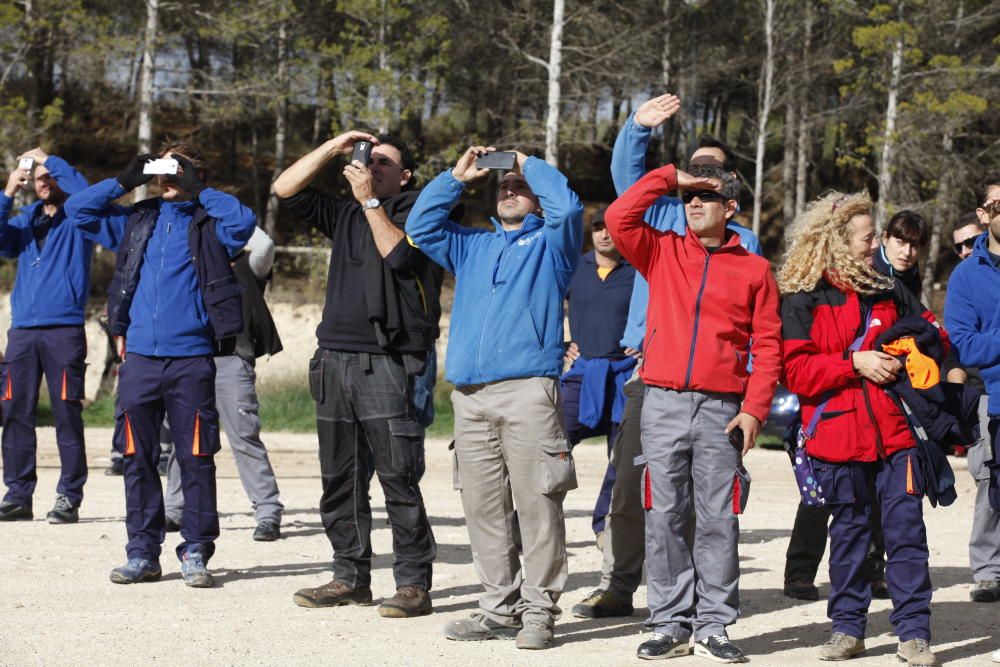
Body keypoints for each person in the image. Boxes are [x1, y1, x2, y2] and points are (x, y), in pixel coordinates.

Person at [572, 92, 764, 623]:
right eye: (692, 176)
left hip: (717, 394)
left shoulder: (748, 253)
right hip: (648, 375)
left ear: (731, 197)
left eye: (711, 178)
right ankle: (627, 588)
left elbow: (760, 335)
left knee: (713, 509)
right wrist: (638, 130)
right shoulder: (665, 226)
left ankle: (711, 611)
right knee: (637, 493)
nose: (697, 187)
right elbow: (624, 193)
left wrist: (752, 403)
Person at [605, 157, 782, 662]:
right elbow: (619, 217)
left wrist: (753, 410)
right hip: (660, 402)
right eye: (689, 197)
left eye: (706, 197)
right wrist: (669, 178)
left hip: (721, 410)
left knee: (719, 518)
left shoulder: (755, 269)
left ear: (731, 208)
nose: (694, 204)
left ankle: (714, 625)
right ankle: (668, 622)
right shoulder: (659, 250)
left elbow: (769, 347)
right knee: (662, 515)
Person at [406, 146, 583, 650]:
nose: (509, 190)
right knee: (483, 508)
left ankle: (540, 611)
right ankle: (497, 608)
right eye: (503, 186)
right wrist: (455, 178)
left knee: (538, 504)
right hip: (470, 396)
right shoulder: (471, 246)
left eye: (519, 186)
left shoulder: (554, 244)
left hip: (528, 391)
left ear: (536, 199)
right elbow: (420, 226)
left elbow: (569, 208)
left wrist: (528, 164)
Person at [65, 141, 256, 588]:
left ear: (195, 174)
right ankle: (142, 552)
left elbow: (244, 222)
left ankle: (195, 551)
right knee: (136, 456)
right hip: (140, 361)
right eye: (162, 170)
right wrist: (123, 181)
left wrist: (198, 189)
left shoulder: (211, 221)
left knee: (195, 457)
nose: (166, 178)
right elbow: (79, 212)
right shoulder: (138, 218)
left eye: (178, 170)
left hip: (191, 359)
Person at [274, 131, 441, 619]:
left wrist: (370, 199)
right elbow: (284, 189)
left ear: (405, 176)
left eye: (384, 162)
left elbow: (401, 257)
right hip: (333, 360)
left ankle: (412, 584)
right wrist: (330, 148)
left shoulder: (423, 210)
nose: (372, 166)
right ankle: (349, 576)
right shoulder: (345, 212)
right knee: (340, 481)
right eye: (368, 158)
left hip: (388, 361)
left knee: (398, 479)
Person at [779, 190, 941, 666]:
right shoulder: (802, 296)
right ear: (837, 240)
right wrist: (856, 363)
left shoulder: (890, 290)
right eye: (868, 237)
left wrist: (921, 354)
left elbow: (932, 334)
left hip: (897, 435)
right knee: (848, 536)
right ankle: (847, 629)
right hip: (836, 435)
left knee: (907, 533)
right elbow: (797, 372)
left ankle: (914, 635)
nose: (875, 245)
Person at [0, 147, 117, 524]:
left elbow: (84, 191)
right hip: (22, 331)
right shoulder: (24, 219)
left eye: (49, 177)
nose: (44, 183)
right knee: (15, 412)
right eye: (38, 179)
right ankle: (17, 494)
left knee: (67, 412)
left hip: (64, 329)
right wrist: (6, 194)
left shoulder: (78, 215)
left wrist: (50, 159)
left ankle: (69, 496)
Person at [162, 226, 284, 541]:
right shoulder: (191, 264)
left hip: (233, 360)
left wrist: (225, 216)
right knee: (183, 438)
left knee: (244, 438)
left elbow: (265, 243)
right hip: (190, 358)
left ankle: (268, 512)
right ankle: (174, 508)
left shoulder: (249, 264)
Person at [561, 206, 637, 542]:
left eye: (611, 227)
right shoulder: (573, 269)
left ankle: (605, 524)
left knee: (623, 457)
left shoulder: (640, 273)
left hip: (627, 377)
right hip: (582, 373)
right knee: (551, 443)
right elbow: (543, 308)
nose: (604, 234)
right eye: (597, 227)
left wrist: (646, 347)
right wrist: (558, 348)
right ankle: (529, 522)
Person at [945, 174, 1000, 605]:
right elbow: (965, 344)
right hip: (991, 397)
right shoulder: (966, 276)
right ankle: (988, 572)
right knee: (993, 485)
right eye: (998, 206)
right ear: (984, 215)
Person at [873, 210, 929, 299]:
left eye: (914, 246)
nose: (907, 252)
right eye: (900, 242)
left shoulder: (913, 277)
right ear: (885, 238)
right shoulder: (866, 274)